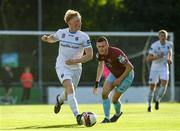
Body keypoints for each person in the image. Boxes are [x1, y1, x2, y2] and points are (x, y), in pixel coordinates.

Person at [41, 9, 93, 125]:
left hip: (77, 68)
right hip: (62, 66)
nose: (79, 23)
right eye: (76, 22)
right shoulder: (61, 32)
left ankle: (59, 99)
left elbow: (89, 56)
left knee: (69, 91)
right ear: (69, 23)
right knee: (70, 88)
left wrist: (76, 60)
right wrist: (46, 38)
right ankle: (78, 116)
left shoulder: (84, 37)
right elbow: (52, 39)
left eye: (80, 21)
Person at [93, 36, 134, 123]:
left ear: (107, 45)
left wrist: (120, 79)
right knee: (104, 94)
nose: (101, 49)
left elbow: (130, 67)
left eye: (103, 46)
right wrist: (96, 83)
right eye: (99, 47)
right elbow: (100, 66)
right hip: (114, 74)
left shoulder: (116, 53)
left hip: (127, 75)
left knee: (114, 100)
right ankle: (106, 118)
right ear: (97, 46)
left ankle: (117, 113)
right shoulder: (99, 55)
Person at [146, 30, 173, 112]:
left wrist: (169, 59)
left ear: (166, 36)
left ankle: (157, 100)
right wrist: (158, 56)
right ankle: (149, 105)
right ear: (159, 36)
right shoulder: (154, 45)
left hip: (164, 67)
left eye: (164, 35)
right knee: (152, 87)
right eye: (161, 35)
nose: (163, 37)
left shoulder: (169, 44)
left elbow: (170, 52)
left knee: (164, 84)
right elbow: (148, 58)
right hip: (155, 68)